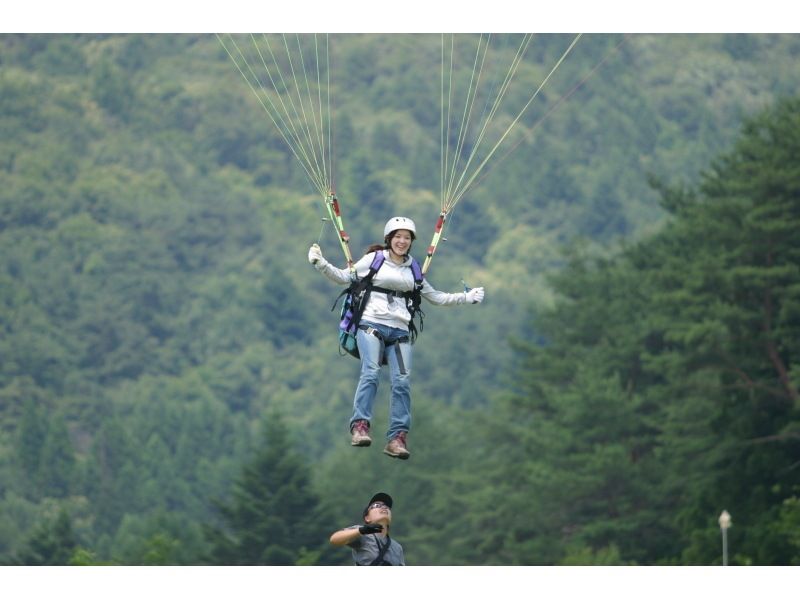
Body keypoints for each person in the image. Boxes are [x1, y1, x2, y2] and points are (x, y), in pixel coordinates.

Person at [308, 216, 485, 459]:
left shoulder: (414, 269)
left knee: (402, 381)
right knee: (370, 372)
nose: (402, 241)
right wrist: (320, 262)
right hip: (371, 326)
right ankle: (360, 426)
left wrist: (467, 297)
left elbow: (437, 297)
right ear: (389, 239)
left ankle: (397, 438)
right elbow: (343, 276)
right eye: (398, 237)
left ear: (411, 242)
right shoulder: (375, 260)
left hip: (399, 334)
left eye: (407, 238)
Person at [329, 492, 405, 565]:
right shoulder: (362, 533)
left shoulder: (397, 547)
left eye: (386, 506)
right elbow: (334, 539)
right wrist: (361, 531)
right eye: (377, 505)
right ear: (367, 518)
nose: (384, 507)